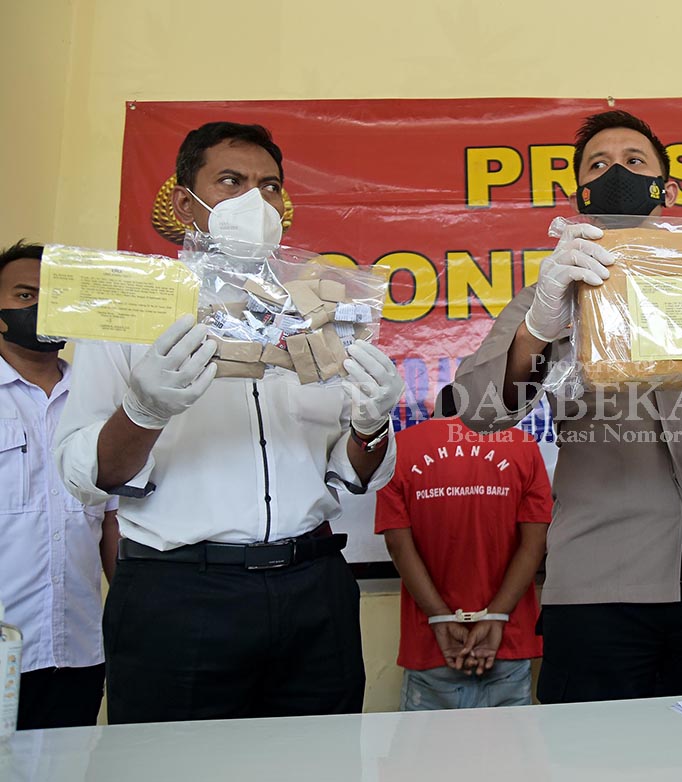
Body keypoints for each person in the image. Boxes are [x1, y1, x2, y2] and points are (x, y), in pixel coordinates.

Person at [451, 110, 682, 702]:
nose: (616, 174)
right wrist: (540, 328)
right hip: (596, 580)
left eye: (633, 161)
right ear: (579, 194)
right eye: (597, 165)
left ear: (667, 190)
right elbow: (479, 410)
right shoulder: (552, 292)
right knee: (597, 748)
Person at [54, 121, 406, 723]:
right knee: (173, 762)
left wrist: (372, 424)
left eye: (269, 186)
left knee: (320, 760)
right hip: (179, 592)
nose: (254, 201)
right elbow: (85, 475)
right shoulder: (130, 310)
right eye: (230, 181)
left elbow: (354, 475)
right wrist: (143, 412)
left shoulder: (317, 312)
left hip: (313, 587)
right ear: (184, 201)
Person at [0, 241, 118, 729]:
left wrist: (133, 617)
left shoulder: (101, 402)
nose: (42, 308)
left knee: (70, 763)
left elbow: (112, 521)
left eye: (55, 297)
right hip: (6, 644)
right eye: (25, 295)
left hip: (78, 646)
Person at [376, 386, 552, 710]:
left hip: (430, 643)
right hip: (507, 638)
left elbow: (397, 546)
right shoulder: (523, 447)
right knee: (511, 744)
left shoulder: (400, 450)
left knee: (427, 745)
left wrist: (440, 617)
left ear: (434, 413)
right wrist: (496, 615)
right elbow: (535, 543)